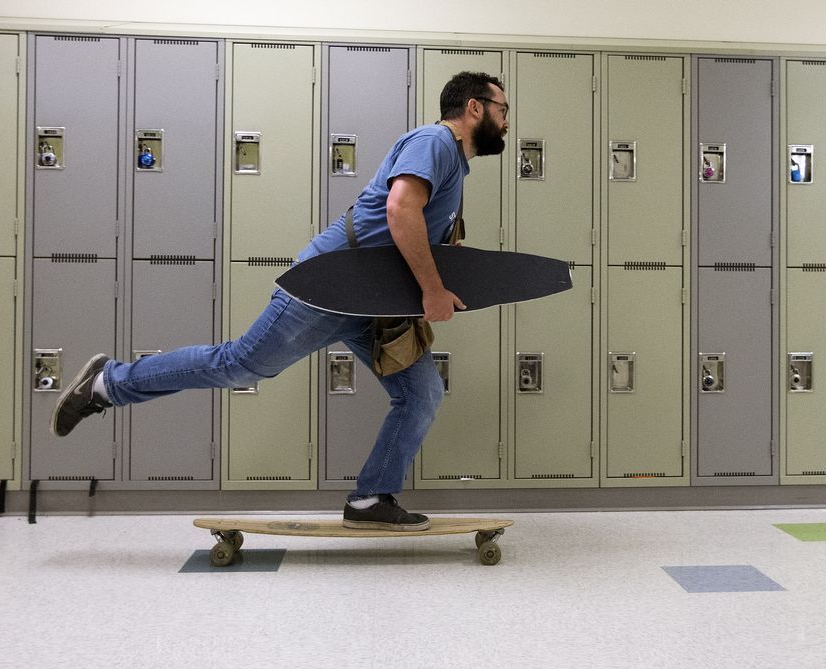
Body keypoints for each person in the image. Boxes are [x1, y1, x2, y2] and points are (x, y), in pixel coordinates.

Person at [51, 71, 509, 531]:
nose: (506, 122)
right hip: (332, 284)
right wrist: (432, 290)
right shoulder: (435, 141)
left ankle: (370, 500)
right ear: (474, 107)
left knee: (421, 393)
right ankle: (107, 383)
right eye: (502, 110)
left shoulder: (452, 161)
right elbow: (399, 209)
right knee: (240, 364)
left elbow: (413, 225)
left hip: (371, 300)